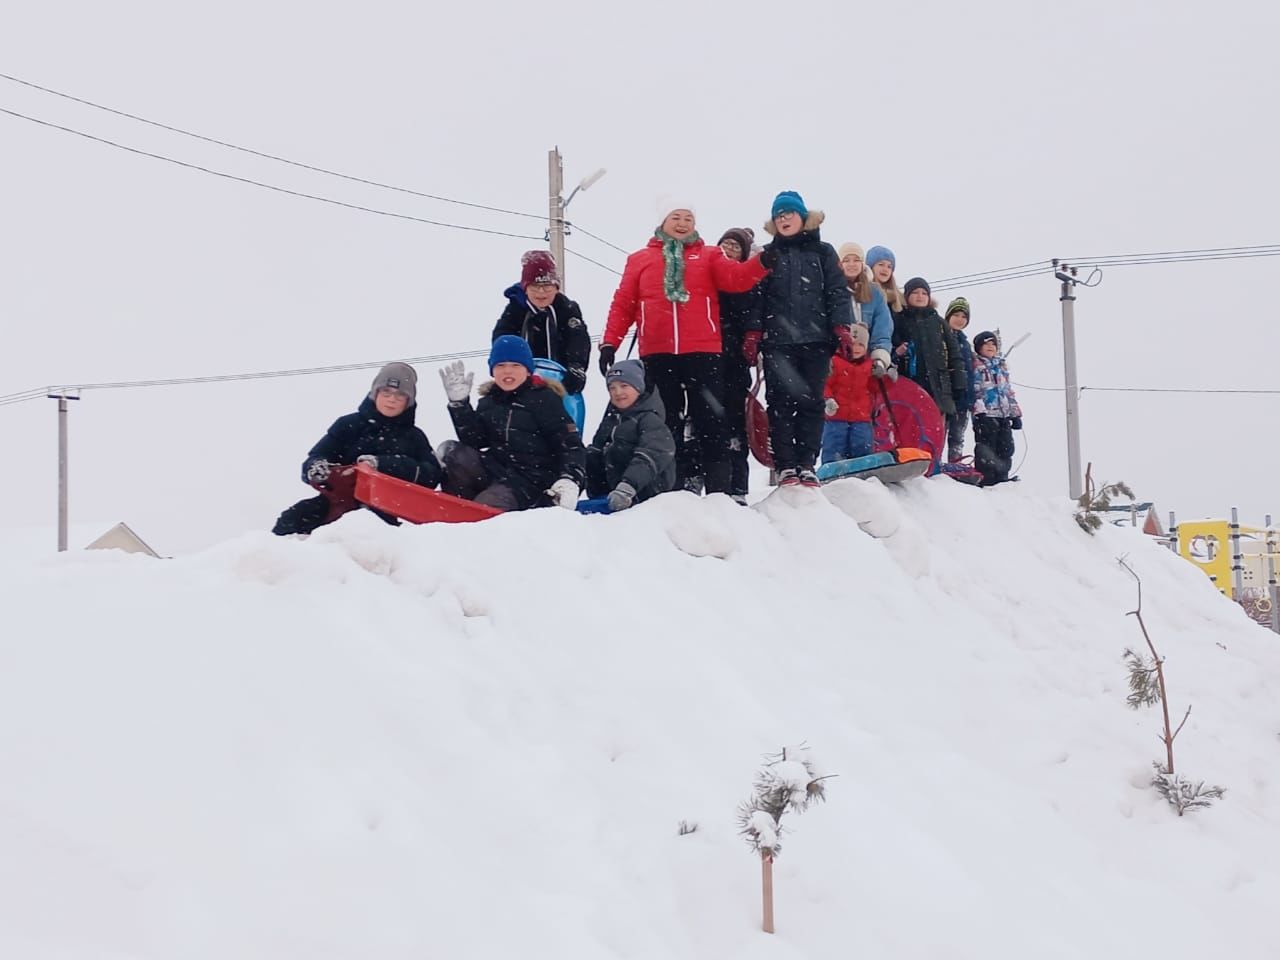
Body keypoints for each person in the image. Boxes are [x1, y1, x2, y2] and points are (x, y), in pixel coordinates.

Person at [600, 201, 768, 496]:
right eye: (676, 217)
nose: (682, 223)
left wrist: (763, 262)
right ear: (662, 220)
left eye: (688, 218)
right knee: (666, 425)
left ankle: (719, 494)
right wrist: (609, 343)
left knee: (711, 423)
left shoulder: (710, 255)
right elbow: (623, 303)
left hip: (703, 352)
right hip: (657, 351)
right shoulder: (640, 259)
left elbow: (737, 279)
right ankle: (671, 493)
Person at [742, 190, 856, 488]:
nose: (784, 219)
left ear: (802, 217)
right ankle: (785, 466)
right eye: (779, 216)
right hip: (778, 342)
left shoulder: (823, 252)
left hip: (816, 341)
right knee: (779, 403)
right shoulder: (768, 254)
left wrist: (841, 327)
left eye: (789, 213)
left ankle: (807, 464)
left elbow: (836, 291)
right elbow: (758, 296)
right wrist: (754, 332)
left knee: (811, 403)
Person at [273, 362, 440, 535]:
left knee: (364, 537)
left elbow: (431, 476)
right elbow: (318, 456)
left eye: (400, 395)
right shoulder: (348, 425)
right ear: (375, 393)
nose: (392, 399)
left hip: (385, 514)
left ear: (408, 401)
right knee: (293, 518)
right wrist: (315, 468)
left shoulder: (414, 437)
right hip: (336, 502)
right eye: (386, 392)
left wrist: (382, 465)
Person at [437, 335, 585, 511]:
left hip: (532, 481)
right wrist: (459, 405)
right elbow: (475, 441)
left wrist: (570, 478)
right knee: (453, 452)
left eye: (515, 365)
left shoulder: (544, 399)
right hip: (497, 471)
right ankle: (455, 506)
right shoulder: (489, 401)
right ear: (493, 371)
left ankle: (475, 513)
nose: (507, 371)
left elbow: (570, 445)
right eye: (501, 366)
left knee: (488, 504)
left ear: (528, 370)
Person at [492, 250, 591, 396]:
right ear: (525, 289)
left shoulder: (567, 309)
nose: (541, 292)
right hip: (523, 380)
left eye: (547, 287)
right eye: (535, 287)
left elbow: (578, 339)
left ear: (556, 288)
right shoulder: (515, 311)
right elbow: (501, 340)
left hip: (559, 379)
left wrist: (576, 366)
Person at [585, 360, 677, 511]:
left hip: (646, 497)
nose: (618, 392)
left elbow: (651, 456)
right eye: (612, 388)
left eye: (624, 386)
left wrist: (628, 487)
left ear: (638, 387)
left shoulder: (650, 420)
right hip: (612, 496)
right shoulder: (611, 420)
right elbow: (595, 451)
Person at [716, 227, 761, 503]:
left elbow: (755, 312)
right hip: (705, 357)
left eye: (736, 247)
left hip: (735, 361)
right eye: (726, 244)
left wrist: (753, 336)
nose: (730, 250)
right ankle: (706, 480)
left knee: (735, 424)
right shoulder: (707, 275)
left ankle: (737, 487)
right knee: (703, 423)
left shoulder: (747, 283)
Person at [892, 277, 967, 419]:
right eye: (915, 292)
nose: (920, 296)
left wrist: (959, 384)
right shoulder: (899, 320)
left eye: (924, 293)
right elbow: (892, 348)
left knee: (934, 435)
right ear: (907, 296)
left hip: (939, 390)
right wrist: (897, 353)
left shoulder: (938, 322)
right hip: (908, 385)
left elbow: (954, 354)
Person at [970, 330, 1023, 486]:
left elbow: (1007, 391)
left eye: (993, 344)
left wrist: (1015, 414)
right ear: (979, 347)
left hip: (1003, 414)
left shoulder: (1000, 367)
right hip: (986, 414)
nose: (990, 347)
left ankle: (1002, 477)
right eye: (986, 344)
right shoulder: (976, 365)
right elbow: (975, 390)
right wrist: (979, 412)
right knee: (987, 447)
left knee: (1006, 447)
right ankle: (987, 478)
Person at [821, 323, 876, 464]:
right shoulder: (835, 363)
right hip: (836, 416)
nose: (856, 349)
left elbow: (877, 388)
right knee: (834, 447)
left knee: (862, 446)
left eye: (860, 345)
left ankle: (862, 471)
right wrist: (828, 399)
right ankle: (832, 472)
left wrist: (888, 375)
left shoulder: (870, 366)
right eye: (852, 344)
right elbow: (826, 384)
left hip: (861, 417)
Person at [837, 242, 894, 378]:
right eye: (846, 260)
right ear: (839, 264)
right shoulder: (832, 291)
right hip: (840, 362)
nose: (852, 264)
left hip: (867, 364)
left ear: (862, 264)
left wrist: (879, 358)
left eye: (856, 260)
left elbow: (883, 328)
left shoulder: (874, 292)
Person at [943, 297, 975, 462]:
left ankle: (955, 464)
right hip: (945, 394)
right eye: (956, 315)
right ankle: (935, 465)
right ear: (948, 315)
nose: (960, 320)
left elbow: (970, 372)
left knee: (957, 436)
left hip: (963, 398)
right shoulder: (941, 335)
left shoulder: (965, 343)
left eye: (964, 317)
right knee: (940, 431)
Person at [865, 245, 904, 316]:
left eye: (889, 267)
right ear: (870, 267)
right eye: (881, 264)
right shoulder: (863, 291)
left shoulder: (900, 298)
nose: (885, 269)